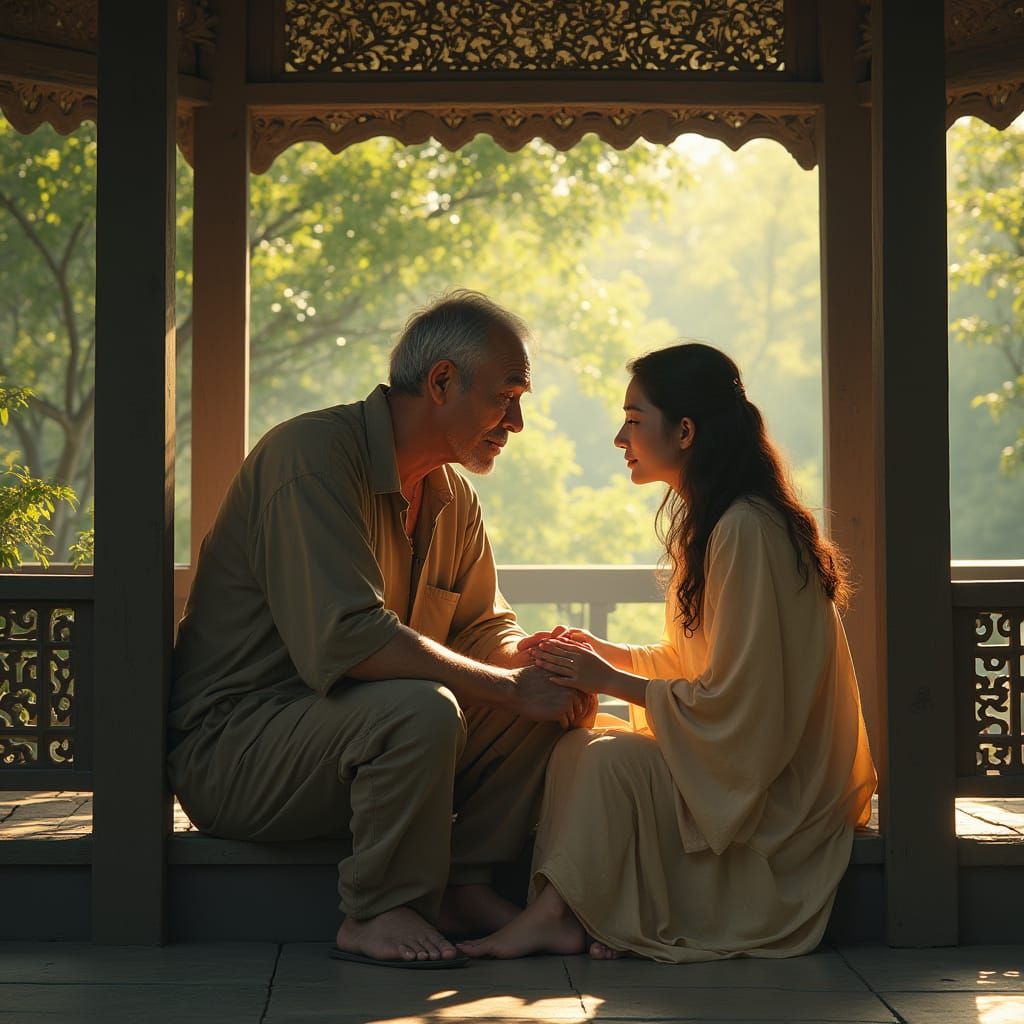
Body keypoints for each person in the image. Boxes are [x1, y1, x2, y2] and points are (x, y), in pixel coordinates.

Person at [167, 290, 591, 968]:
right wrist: (509, 687)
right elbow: (352, 639)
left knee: (545, 702)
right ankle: (377, 908)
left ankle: (462, 882)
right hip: (238, 750)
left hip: (353, 733)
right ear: (442, 381)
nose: (516, 422)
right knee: (423, 709)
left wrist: (532, 665)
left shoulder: (454, 498)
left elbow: (484, 625)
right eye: (506, 397)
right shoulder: (311, 458)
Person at [459, 342, 877, 963]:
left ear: (685, 431)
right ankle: (565, 913)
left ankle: (564, 915)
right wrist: (601, 655)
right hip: (743, 758)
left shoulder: (746, 529)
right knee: (583, 739)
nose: (619, 438)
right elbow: (697, 668)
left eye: (633, 419)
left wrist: (605, 676)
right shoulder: (719, 524)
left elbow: (741, 709)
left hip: (782, 792)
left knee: (607, 762)